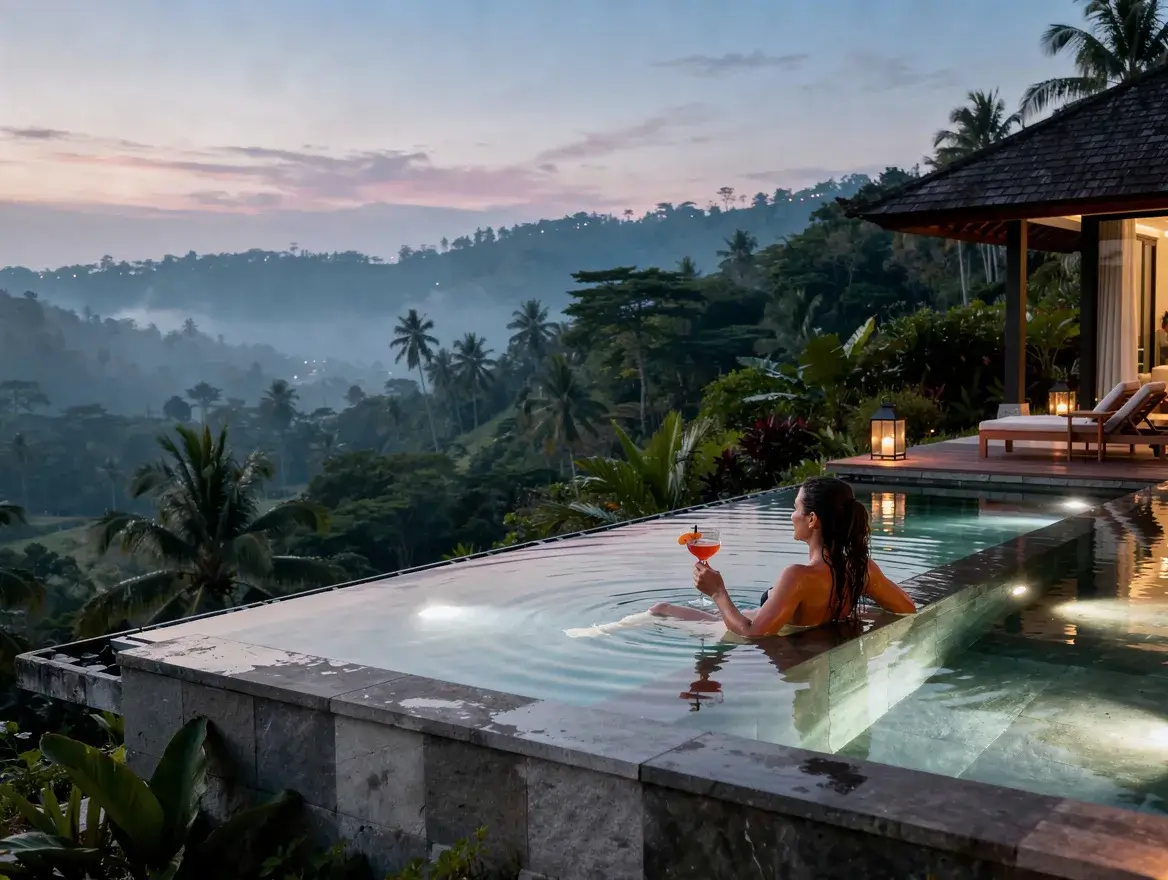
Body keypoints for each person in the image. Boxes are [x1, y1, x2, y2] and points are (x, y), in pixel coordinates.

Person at [649, 477, 915, 638]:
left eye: (796, 508)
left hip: (740, 631)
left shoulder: (798, 576)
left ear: (812, 519)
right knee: (676, 610)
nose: (791, 515)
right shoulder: (861, 569)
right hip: (788, 628)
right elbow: (906, 608)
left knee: (661, 609)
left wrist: (718, 592)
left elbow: (753, 633)